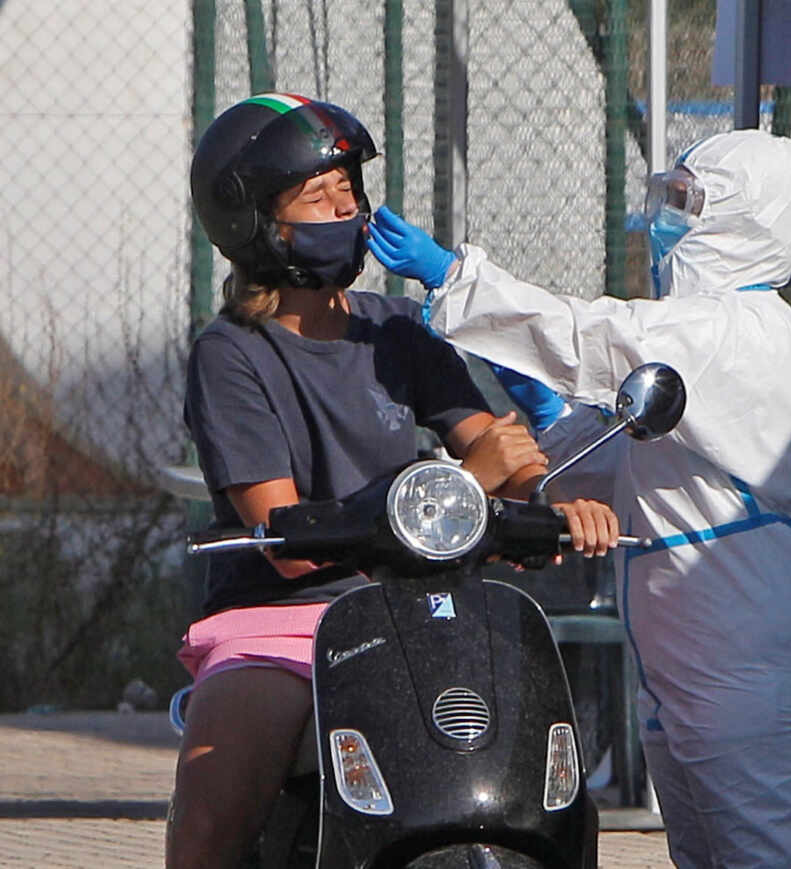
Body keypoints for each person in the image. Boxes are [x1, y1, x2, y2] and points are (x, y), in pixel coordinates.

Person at [368, 129, 791, 868]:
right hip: (698, 654)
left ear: (745, 217)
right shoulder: (706, 337)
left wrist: (455, 278)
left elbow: (595, 334)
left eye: (688, 202)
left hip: (757, 656)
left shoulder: (735, 328)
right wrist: (552, 420)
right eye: (667, 196)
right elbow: (622, 470)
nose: (668, 218)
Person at [167, 93, 618, 869]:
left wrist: (554, 504)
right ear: (254, 222)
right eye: (318, 195)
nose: (345, 208)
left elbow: (501, 454)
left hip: (429, 609)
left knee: (553, 793)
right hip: (282, 622)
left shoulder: (398, 329)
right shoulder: (232, 354)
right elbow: (283, 536)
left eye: (349, 188)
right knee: (213, 813)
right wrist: (464, 479)